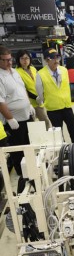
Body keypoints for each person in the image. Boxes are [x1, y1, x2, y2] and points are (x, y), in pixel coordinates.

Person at [0, 46, 34, 176]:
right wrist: (10, 119)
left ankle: (31, 169)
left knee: (29, 145)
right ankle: (22, 175)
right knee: (18, 149)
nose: (9, 62)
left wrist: (29, 105)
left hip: (26, 117)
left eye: (10, 59)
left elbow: (22, 89)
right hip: (15, 121)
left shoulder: (14, 72)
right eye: (5, 60)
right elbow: (0, 101)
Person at [36, 48, 74, 143]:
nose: (56, 60)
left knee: (73, 129)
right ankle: (63, 151)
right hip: (53, 109)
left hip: (66, 106)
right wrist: (49, 100)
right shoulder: (40, 74)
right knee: (58, 134)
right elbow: (40, 93)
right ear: (46, 60)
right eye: (52, 58)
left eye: (57, 58)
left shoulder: (64, 70)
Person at [15, 50, 52, 129]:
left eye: (27, 58)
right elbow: (22, 89)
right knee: (32, 126)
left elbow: (39, 83)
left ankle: (48, 138)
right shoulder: (16, 72)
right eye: (22, 58)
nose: (25, 61)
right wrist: (36, 98)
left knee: (46, 121)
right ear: (18, 59)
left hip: (39, 101)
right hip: (29, 103)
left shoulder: (33, 68)